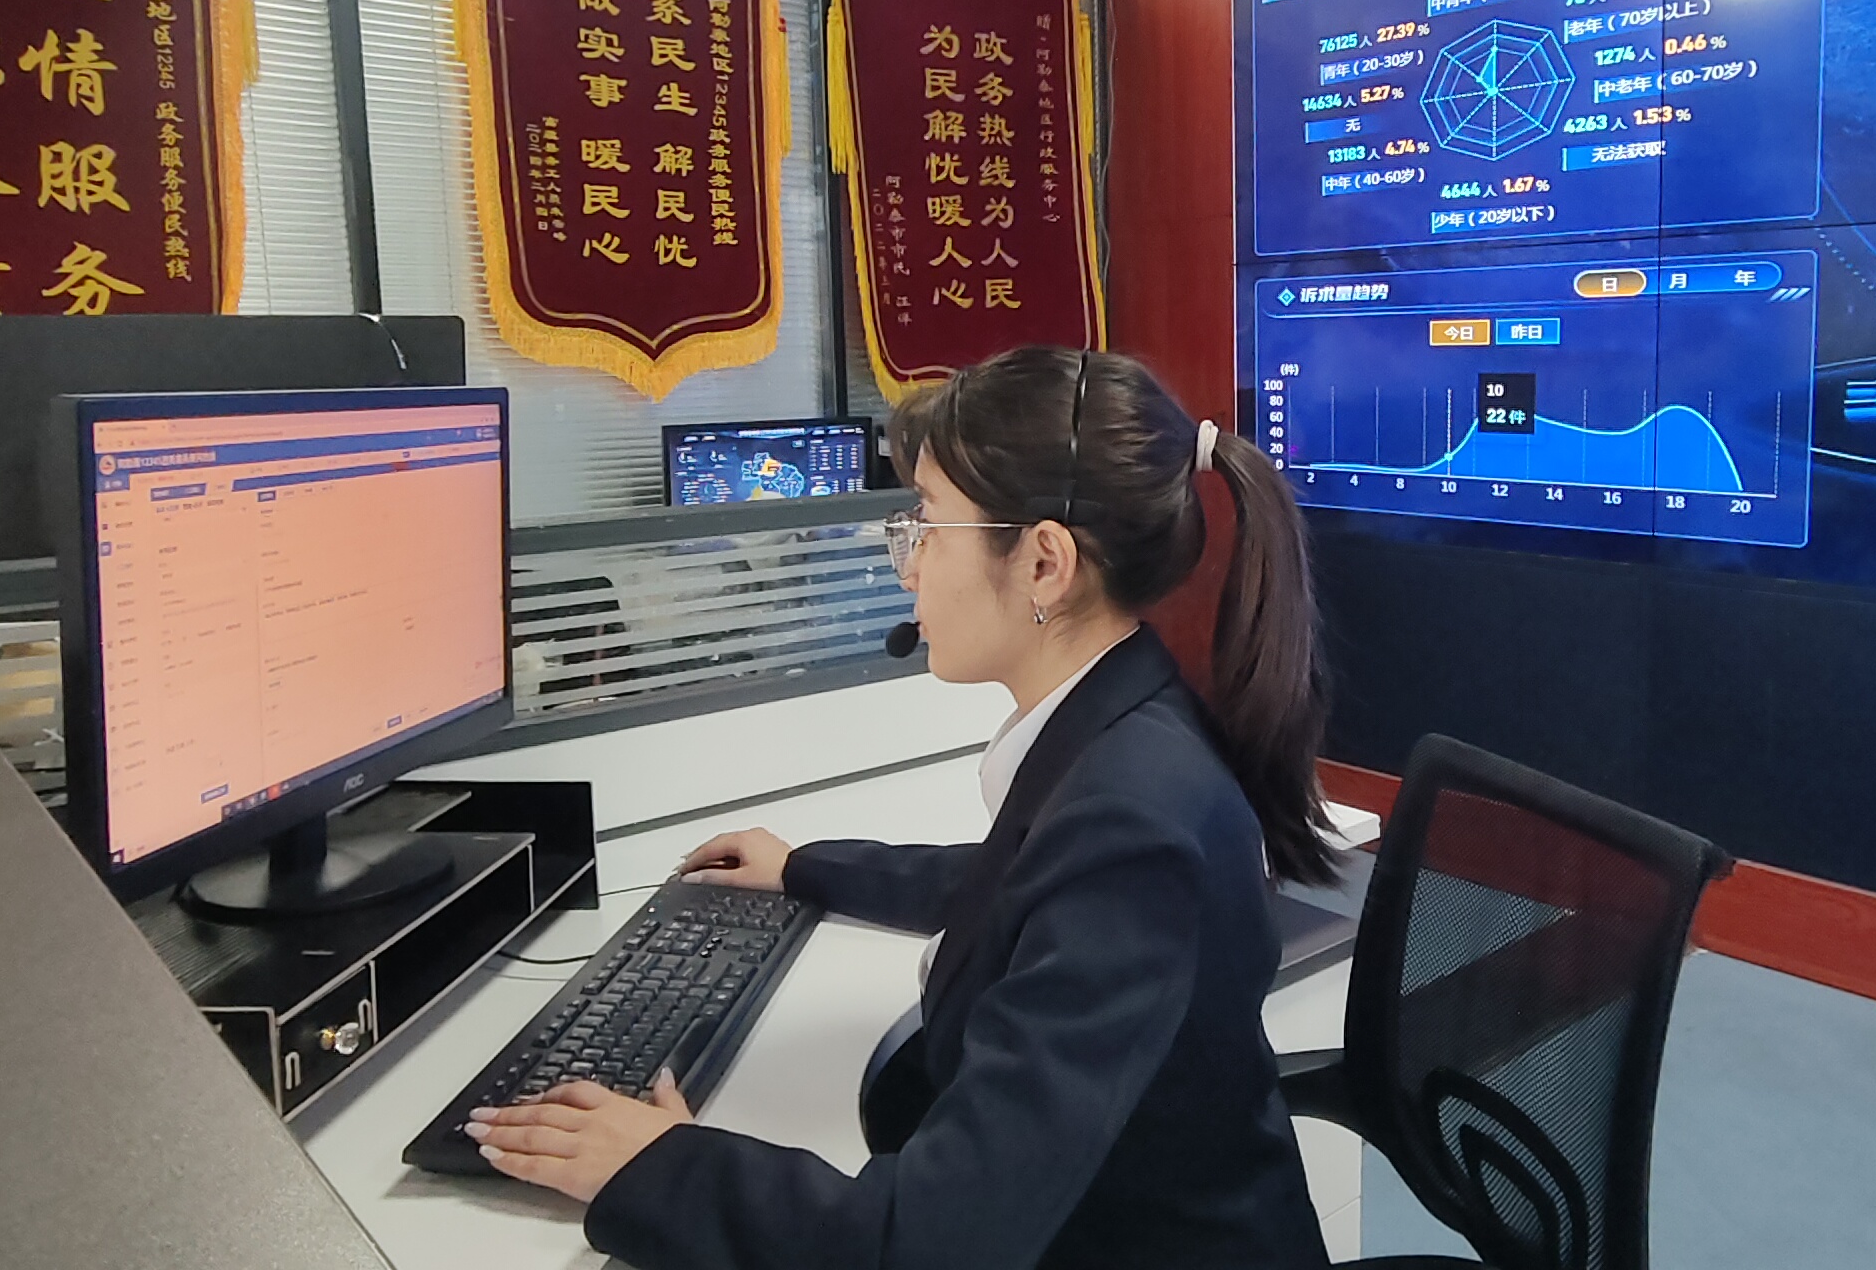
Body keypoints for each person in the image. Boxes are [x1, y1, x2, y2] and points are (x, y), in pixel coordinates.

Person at [465, 346, 1343, 1269]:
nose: (908, 565)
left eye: (929, 522)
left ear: (1044, 563)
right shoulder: (1121, 720)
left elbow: (929, 1243)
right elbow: (1017, 885)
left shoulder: (1133, 818)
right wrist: (807, 868)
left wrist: (660, 1168)